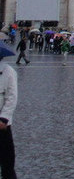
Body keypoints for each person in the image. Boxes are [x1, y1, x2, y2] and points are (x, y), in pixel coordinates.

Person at [0, 49, 18, 179]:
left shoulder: (8, 71)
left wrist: (4, 118)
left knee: (7, 159)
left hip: (2, 122)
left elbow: (12, 97)